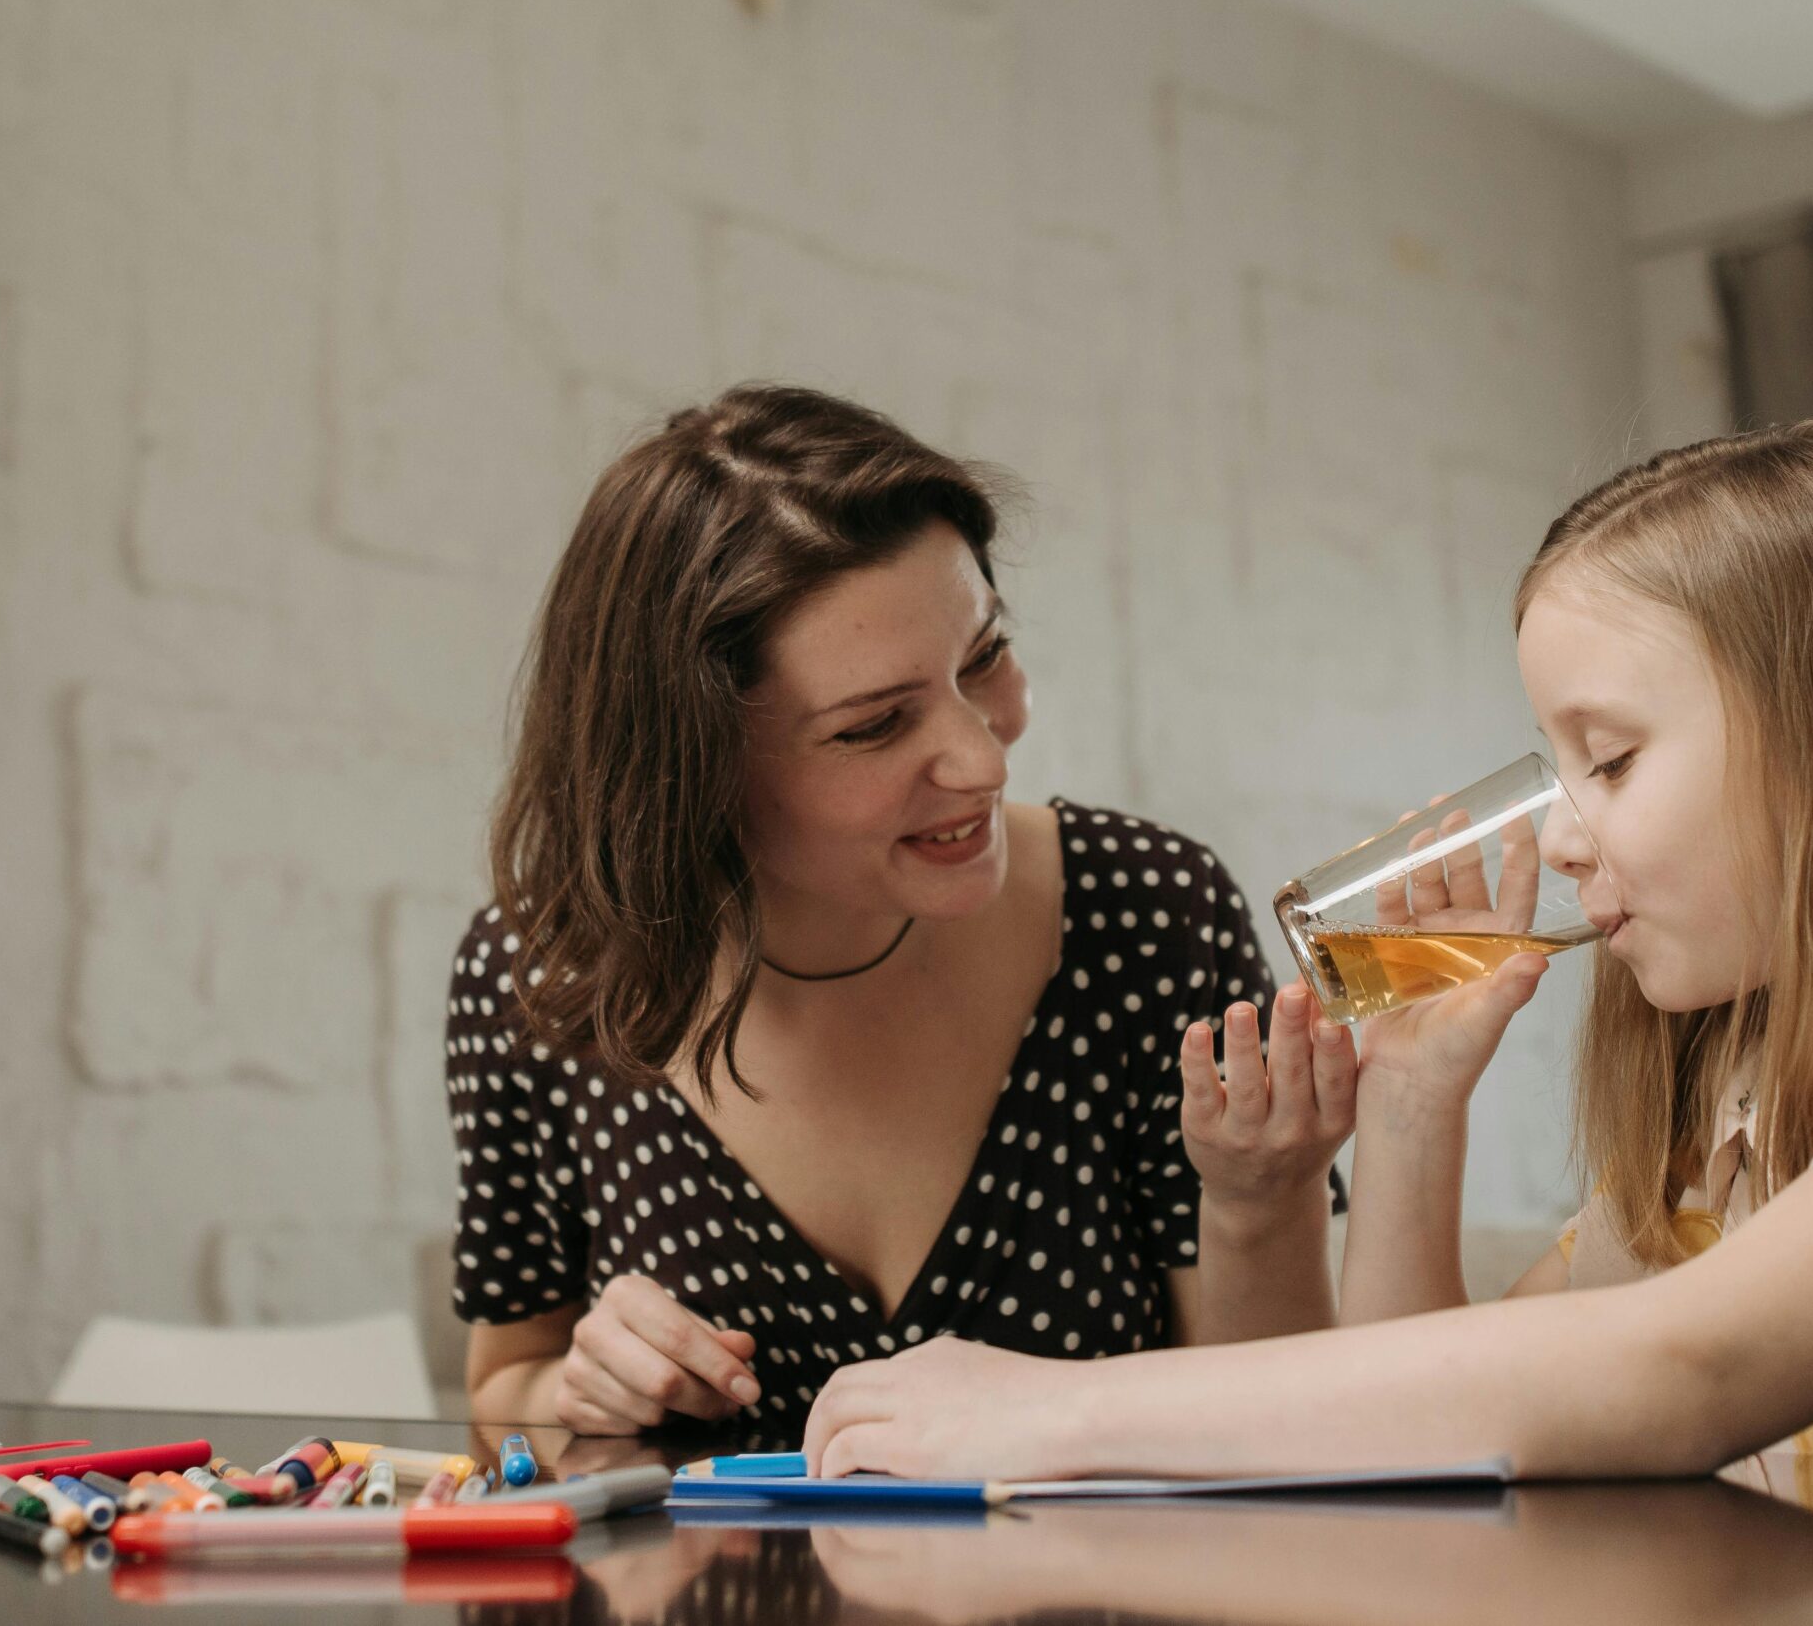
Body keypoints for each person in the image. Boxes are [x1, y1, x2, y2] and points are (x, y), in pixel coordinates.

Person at [797, 419, 1813, 1487]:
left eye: (1610, 762)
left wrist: (1050, 1413)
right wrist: (1417, 1101)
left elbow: (1678, 1374)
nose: (1559, 838)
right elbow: (1425, 1434)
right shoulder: (1733, 1108)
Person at [449, 385, 1348, 1439]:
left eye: (984, 657)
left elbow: (1272, 1414)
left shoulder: (1146, 910)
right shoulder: (543, 972)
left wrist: (1265, 1196)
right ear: (690, 773)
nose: (983, 753)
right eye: (873, 725)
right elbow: (503, 1379)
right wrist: (578, 1385)